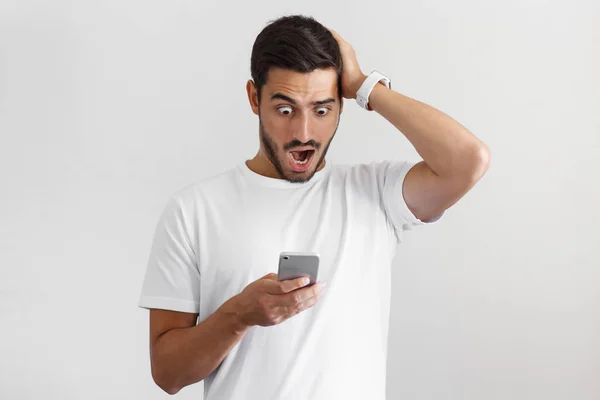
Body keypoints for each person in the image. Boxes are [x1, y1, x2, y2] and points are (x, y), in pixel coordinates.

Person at [138, 14, 490, 399]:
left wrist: (362, 85)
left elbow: (468, 161)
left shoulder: (376, 194)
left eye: (321, 110)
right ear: (255, 98)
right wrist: (238, 315)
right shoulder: (194, 211)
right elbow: (168, 374)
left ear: (341, 105)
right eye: (286, 109)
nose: (304, 134)